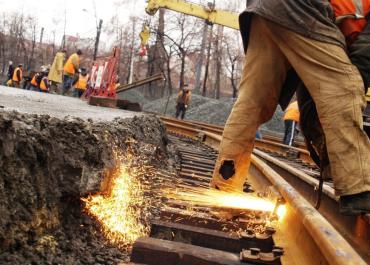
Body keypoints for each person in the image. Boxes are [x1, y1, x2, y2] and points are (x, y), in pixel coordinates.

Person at [211, 0, 370, 215]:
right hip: (301, 8)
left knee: (252, 104)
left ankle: (224, 192)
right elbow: (360, 64)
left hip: (263, 9)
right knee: (346, 88)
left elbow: (310, 88)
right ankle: (358, 191)